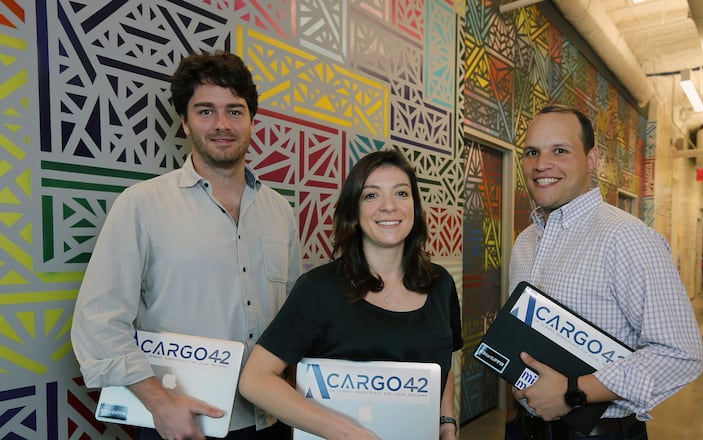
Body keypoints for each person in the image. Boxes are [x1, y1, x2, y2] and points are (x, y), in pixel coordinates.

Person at [71, 51, 302, 440]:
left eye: (234, 111)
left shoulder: (281, 211)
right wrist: (161, 403)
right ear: (185, 121)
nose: (222, 125)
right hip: (183, 424)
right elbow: (98, 323)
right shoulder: (141, 205)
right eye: (206, 111)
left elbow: (295, 322)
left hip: (271, 421)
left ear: (251, 120)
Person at [505, 104, 703, 440]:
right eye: (532, 152)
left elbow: (681, 355)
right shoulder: (525, 241)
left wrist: (574, 391)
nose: (541, 165)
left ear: (592, 160)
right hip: (527, 428)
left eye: (561, 151)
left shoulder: (627, 238)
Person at [238, 149, 463, 440]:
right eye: (371, 195)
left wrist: (447, 421)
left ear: (415, 208)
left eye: (401, 193)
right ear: (353, 212)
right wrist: (344, 433)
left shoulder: (440, 284)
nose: (388, 206)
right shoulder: (318, 289)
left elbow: (444, 362)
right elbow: (255, 380)